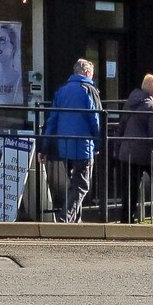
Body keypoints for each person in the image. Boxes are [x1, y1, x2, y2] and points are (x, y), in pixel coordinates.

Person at [42, 59, 102, 222]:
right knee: (82, 185)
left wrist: (45, 146)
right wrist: (98, 142)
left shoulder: (62, 91)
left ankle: (76, 220)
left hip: (65, 145)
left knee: (74, 183)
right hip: (83, 145)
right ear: (88, 73)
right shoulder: (89, 90)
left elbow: (52, 119)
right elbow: (94, 118)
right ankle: (65, 219)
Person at [112, 73, 153, 222]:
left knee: (130, 190)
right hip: (149, 155)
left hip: (128, 154)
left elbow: (121, 127)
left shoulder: (130, 102)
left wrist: (118, 148)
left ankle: (127, 220)